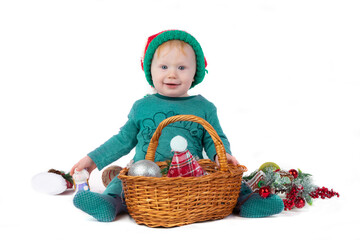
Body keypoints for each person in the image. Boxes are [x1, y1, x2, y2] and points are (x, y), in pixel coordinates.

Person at [70, 30, 284, 222]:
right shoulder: (142, 106)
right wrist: (92, 160)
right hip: (145, 175)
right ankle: (110, 203)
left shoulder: (204, 107)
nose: (172, 74)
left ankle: (247, 201)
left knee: (228, 179)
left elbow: (214, 138)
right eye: (163, 67)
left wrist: (221, 156)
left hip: (191, 175)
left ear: (195, 73)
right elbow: (122, 140)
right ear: (150, 70)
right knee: (122, 180)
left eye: (181, 67)